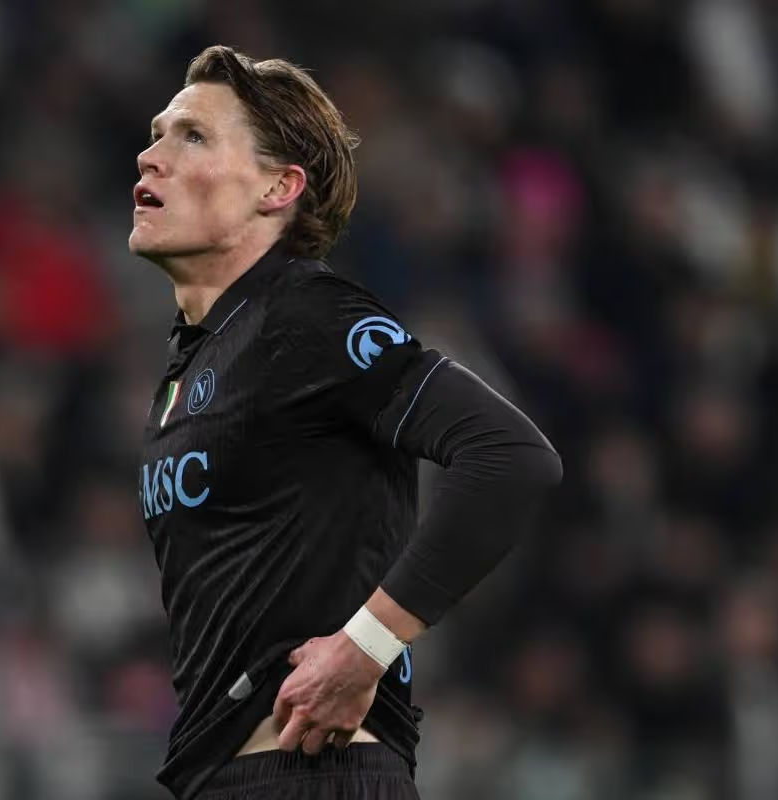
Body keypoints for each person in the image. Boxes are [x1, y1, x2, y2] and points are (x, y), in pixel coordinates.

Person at [131, 45, 562, 800]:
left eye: (193, 136)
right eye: (159, 133)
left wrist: (367, 645)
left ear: (278, 187)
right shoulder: (193, 362)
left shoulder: (305, 316)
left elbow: (510, 455)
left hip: (313, 773)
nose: (151, 154)